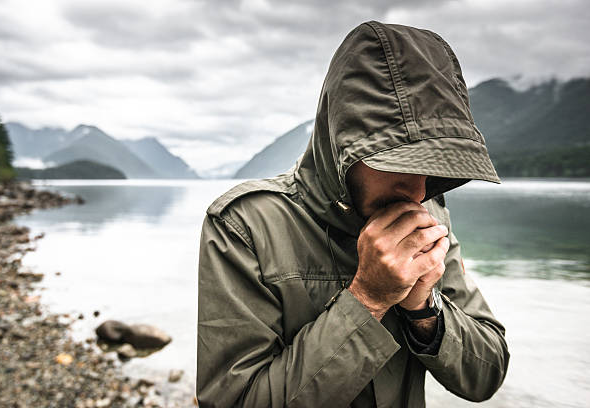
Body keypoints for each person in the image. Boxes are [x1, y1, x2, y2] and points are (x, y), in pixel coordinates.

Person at [196, 20, 510, 407]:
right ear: (341, 145)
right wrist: (368, 298)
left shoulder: (430, 218)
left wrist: (423, 308)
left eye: (431, 165)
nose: (417, 191)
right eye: (398, 162)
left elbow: (487, 375)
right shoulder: (244, 227)